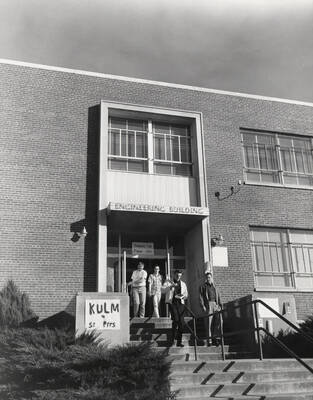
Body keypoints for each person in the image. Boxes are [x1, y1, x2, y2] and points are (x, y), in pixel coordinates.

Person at [162, 269, 188, 347]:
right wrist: (171, 286)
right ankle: (172, 339)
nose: (178, 277)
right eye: (177, 275)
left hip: (181, 304)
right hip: (172, 303)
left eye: (180, 276)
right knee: (176, 320)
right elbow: (162, 290)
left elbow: (186, 295)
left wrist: (182, 296)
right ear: (174, 275)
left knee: (181, 323)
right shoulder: (168, 282)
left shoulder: (183, 284)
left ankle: (179, 342)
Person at [199, 271, 222, 346]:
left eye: (209, 277)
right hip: (208, 305)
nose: (208, 279)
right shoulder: (203, 286)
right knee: (208, 323)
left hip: (216, 304)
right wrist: (203, 306)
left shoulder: (215, 286)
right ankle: (209, 341)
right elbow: (200, 297)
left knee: (219, 321)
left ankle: (216, 338)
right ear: (205, 278)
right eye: (207, 277)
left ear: (211, 278)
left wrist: (220, 305)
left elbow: (218, 296)